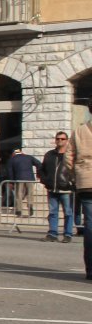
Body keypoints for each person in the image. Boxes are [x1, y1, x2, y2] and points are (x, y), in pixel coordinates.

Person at [41, 131, 75, 242]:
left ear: (67, 140)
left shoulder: (71, 155)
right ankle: (52, 234)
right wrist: (45, 180)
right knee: (52, 212)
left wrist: (72, 183)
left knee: (68, 213)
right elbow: (42, 169)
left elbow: (76, 170)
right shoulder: (49, 154)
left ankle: (68, 234)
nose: (60, 140)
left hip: (66, 190)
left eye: (62, 139)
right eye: (58, 138)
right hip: (52, 189)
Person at [72, 117, 92, 280]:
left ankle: (90, 269)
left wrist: (76, 176)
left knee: (90, 224)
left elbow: (68, 158)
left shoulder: (79, 131)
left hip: (85, 182)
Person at [5, 148, 38, 216]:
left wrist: (11, 182)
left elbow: (10, 172)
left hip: (19, 179)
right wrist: (39, 174)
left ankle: (19, 210)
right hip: (30, 178)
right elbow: (39, 164)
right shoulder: (29, 157)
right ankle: (30, 205)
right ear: (21, 152)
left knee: (18, 194)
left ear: (13, 153)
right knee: (30, 193)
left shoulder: (11, 159)